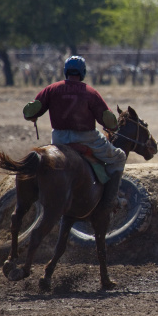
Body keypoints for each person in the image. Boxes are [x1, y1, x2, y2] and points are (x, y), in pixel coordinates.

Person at [23, 55, 127, 204]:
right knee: (119, 157)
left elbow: (30, 112)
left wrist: (32, 116)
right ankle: (110, 201)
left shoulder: (52, 89)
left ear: (66, 71)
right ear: (83, 72)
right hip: (88, 139)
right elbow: (108, 120)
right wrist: (113, 126)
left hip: (59, 139)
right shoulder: (90, 92)